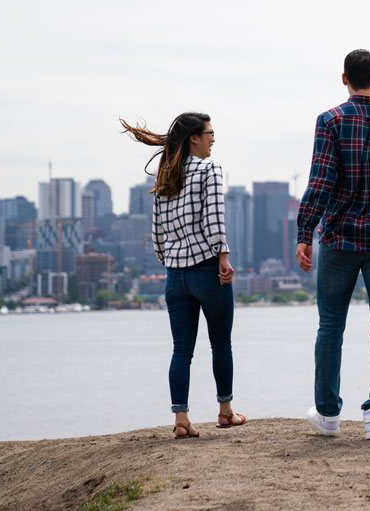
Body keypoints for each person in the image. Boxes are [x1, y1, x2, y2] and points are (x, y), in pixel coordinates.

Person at [297, 49, 370, 440]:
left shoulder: (330, 120)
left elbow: (320, 181)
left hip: (339, 236)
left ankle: (329, 416)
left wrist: (305, 233)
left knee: (331, 325)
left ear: (344, 78)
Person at [120, 112, 247, 438]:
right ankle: (225, 412)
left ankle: (181, 419)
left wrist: (170, 262)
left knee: (181, 350)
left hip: (175, 275)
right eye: (210, 133)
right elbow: (214, 218)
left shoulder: (166, 177)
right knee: (221, 343)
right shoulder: (210, 170)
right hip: (207, 269)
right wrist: (223, 257)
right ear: (194, 137)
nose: (213, 139)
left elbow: (157, 233)